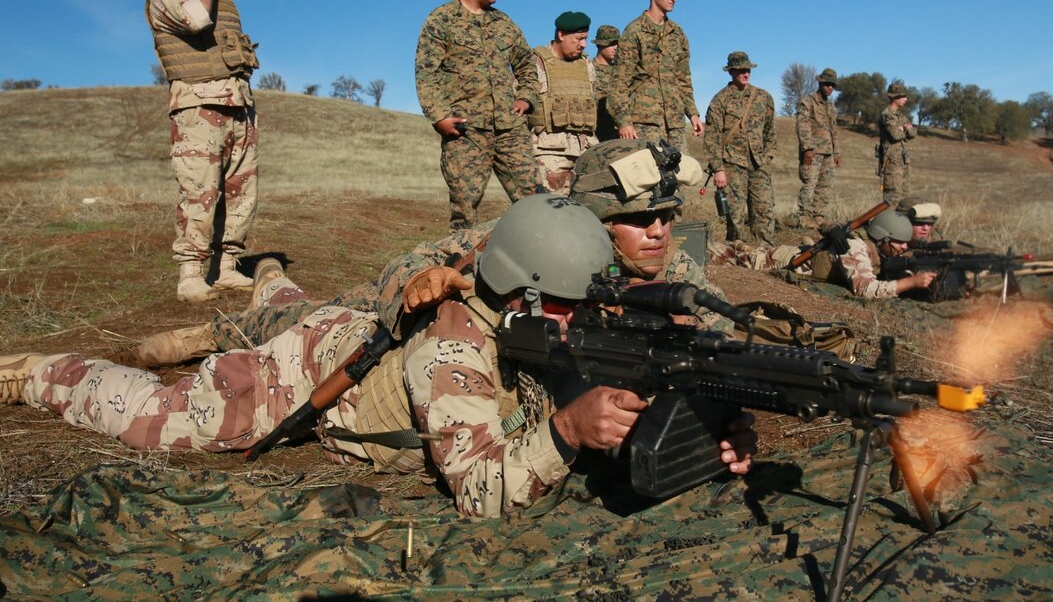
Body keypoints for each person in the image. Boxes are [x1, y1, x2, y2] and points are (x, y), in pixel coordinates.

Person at [0, 195, 757, 519]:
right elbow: (482, 489)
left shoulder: (555, 314)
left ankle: (269, 281)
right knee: (162, 421)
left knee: (286, 306)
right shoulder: (455, 344)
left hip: (350, 325)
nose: (579, 321)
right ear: (519, 291)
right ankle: (39, 371)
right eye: (564, 305)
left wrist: (704, 425)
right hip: (310, 370)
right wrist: (565, 432)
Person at [125, 139, 731, 368]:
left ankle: (272, 276)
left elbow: (720, 322)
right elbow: (408, 267)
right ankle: (217, 328)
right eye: (637, 219)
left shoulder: (669, 265)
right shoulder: (525, 233)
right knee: (299, 321)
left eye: (665, 218)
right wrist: (429, 279)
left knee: (288, 294)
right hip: (387, 314)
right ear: (596, 221)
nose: (657, 232)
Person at [146, 0, 259, 302]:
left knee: (240, 192)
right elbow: (195, 21)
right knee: (199, 191)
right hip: (198, 108)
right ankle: (191, 275)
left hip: (238, 106)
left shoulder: (225, 0)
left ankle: (227, 268)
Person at [415, 0, 540, 229]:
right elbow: (427, 72)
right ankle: (463, 269)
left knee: (536, 200)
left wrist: (526, 97)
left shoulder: (504, 23)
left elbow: (526, 64)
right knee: (465, 212)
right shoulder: (441, 20)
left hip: (510, 130)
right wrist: (439, 117)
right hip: (465, 132)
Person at [715, 208, 937, 299]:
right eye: (899, 243)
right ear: (884, 238)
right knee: (725, 257)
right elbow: (867, 290)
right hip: (778, 261)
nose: (904, 248)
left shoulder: (871, 244)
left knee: (740, 252)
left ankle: (740, 246)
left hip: (795, 255)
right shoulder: (856, 247)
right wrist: (912, 283)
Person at [608, 0, 703, 150]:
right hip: (644, 123)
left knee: (680, 176)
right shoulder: (634, 31)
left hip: (675, 125)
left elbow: (683, 79)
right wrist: (624, 122)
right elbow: (619, 83)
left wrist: (693, 113)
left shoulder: (678, 34)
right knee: (648, 176)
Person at [704, 52, 777, 244]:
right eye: (741, 70)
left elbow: (770, 131)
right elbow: (711, 138)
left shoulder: (763, 98)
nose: (746, 74)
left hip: (758, 163)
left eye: (748, 70)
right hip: (731, 163)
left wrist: (767, 156)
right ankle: (737, 251)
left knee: (764, 209)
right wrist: (718, 168)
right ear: (731, 72)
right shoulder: (720, 100)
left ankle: (765, 252)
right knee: (734, 214)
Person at [529, 11, 599, 194]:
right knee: (553, 211)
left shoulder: (587, 65)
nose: (583, 44)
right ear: (561, 35)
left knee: (588, 212)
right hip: (550, 153)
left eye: (585, 39)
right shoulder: (536, 63)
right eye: (578, 38)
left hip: (586, 151)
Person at [796, 68, 841, 230]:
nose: (830, 88)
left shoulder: (831, 106)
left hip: (828, 152)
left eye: (832, 85)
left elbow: (833, 130)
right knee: (810, 183)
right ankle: (804, 216)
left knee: (825, 185)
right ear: (820, 83)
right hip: (813, 152)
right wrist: (807, 148)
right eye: (827, 84)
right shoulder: (808, 102)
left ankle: (818, 215)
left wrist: (837, 152)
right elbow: (803, 125)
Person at [879, 83, 917, 204]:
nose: (906, 99)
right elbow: (895, 135)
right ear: (895, 97)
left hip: (904, 162)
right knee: (891, 199)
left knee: (904, 199)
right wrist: (905, 129)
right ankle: (888, 222)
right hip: (891, 163)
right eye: (903, 96)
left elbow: (914, 133)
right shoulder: (887, 115)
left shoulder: (901, 116)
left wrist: (904, 129)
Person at [591, 25, 621, 141]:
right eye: (611, 44)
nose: (615, 48)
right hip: (596, 132)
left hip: (617, 132)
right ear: (599, 44)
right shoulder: (588, 69)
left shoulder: (621, 72)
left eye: (617, 44)